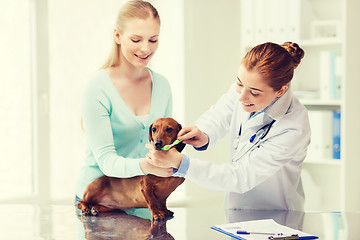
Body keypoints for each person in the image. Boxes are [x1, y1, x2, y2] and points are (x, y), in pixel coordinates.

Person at [145, 42, 311, 211]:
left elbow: (241, 177)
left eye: (254, 92)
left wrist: (181, 163)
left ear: (281, 90)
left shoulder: (293, 127)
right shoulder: (246, 87)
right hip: (236, 210)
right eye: (239, 84)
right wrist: (203, 132)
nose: (241, 97)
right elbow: (220, 113)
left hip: (277, 217)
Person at [75, 0, 174, 205]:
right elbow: (106, 162)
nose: (145, 48)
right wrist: (148, 166)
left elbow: (164, 147)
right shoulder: (97, 87)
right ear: (118, 36)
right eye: (136, 39)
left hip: (143, 201)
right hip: (99, 202)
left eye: (153, 40)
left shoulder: (162, 86)